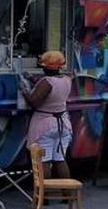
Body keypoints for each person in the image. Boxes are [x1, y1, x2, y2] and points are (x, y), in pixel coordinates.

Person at [23, 50, 73, 178]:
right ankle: (67, 195)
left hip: (45, 126)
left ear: (46, 67)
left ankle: (44, 196)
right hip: (63, 124)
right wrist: (33, 79)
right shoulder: (67, 80)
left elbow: (34, 101)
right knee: (60, 160)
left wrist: (24, 92)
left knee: (44, 161)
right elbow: (51, 88)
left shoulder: (47, 82)